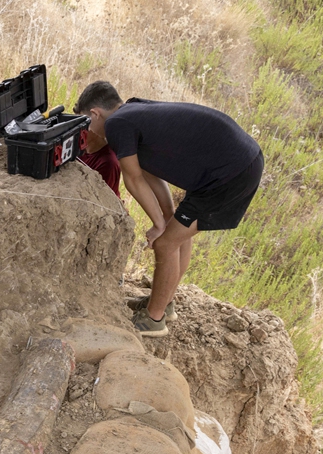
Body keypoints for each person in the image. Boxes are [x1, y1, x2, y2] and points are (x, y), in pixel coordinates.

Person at [75, 81, 263, 337]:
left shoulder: (116, 125)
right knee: (176, 233)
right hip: (236, 161)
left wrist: (159, 226)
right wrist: (166, 215)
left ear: (95, 113)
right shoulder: (134, 111)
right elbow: (150, 172)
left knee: (165, 243)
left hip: (230, 173)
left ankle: (154, 319)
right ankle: (164, 302)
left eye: (86, 122)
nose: (88, 131)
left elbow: (133, 179)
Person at [76, 125, 120, 197]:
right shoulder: (78, 147)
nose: (79, 132)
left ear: (97, 130)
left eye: (85, 127)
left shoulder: (108, 163)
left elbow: (100, 198)